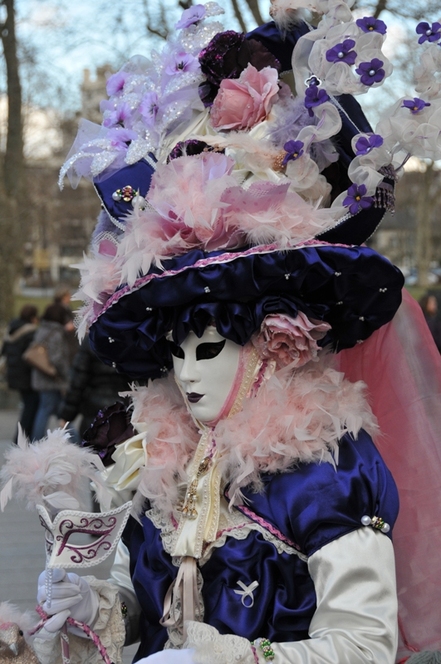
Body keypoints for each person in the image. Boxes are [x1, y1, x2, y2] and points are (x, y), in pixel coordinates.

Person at [33, 2, 441, 663]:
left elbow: (364, 644)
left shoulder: (326, 471)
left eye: (209, 349)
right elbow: (147, 614)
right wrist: (89, 614)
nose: (187, 372)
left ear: (272, 346)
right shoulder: (161, 459)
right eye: (178, 352)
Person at [57, 333, 132, 443]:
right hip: (124, 408)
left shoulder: (92, 340)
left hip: (94, 410)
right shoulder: (131, 339)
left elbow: (78, 382)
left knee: (91, 455)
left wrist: (67, 415)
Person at [31, 303, 71, 441]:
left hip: (40, 376)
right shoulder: (57, 333)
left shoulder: (41, 329)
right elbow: (57, 358)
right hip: (53, 379)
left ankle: (73, 437)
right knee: (49, 411)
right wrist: (67, 375)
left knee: (48, 410)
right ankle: (73, 439)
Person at [1, 304, 39, 440]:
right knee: (30, 406)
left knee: (27, 405)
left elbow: (4, 350)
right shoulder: (30, 332)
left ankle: (22, 436)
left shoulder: (11, 329)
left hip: (13, 373)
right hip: (26, 375)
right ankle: (21, 437)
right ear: (33, 317)